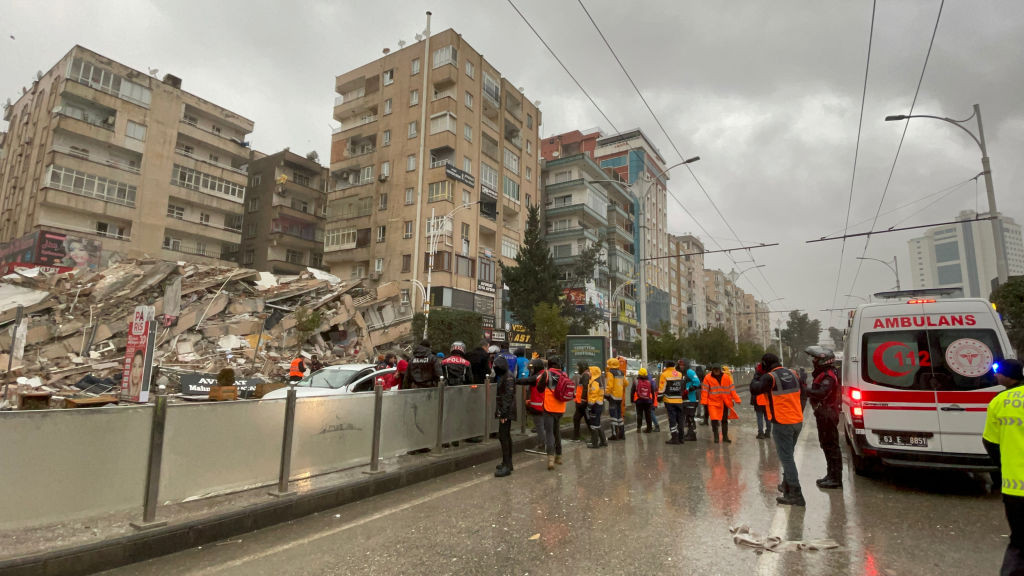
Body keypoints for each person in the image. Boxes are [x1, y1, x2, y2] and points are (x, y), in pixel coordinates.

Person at [984, 359, 1024, 576]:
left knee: (1019, 543)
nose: (995, 375)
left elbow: (990, 442)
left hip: (1014, 487)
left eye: (997, 372)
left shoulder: (1000, 401)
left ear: (1007, 376)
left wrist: (1004, 465)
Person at [751, 353, 806, 506]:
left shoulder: (770, 377)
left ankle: (796, 494)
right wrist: (799, 411)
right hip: (797, 421)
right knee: (789, 456)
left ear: (764, 364)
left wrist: (757, 374)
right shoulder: (793, 373)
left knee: (786, 459)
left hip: (782, 423)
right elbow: (804, 394)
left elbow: (754, 389)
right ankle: (787, 486)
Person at [804, 346, 843, 489]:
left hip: (828, 413)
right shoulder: (823, 374)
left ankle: (835, 478)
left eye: (816, 358)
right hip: (823, 413)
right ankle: (830, 474)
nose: (813, 361)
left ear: (824, 360)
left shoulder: (828, 375)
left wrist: (805, 391)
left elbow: (822, 392)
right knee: (826, 444)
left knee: (831, 446)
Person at [540, 356, 569, 470]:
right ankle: (559, 456)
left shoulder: (547, 374)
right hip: (560, 407)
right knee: (557, 431)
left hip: (549, 407)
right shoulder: (564, 374)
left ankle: (551, 459)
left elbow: (540, 388)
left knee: (549, 433)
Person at [493, 354, 517, 477]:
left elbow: (508, 396)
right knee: (505, 436)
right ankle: (507, 462)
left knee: (504, 436)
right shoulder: (506, 375)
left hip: (506, 411)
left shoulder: (508, 377)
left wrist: (503, 413)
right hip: (505, 410)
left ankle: (507, 465)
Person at [704, 364, 741, 444]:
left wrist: (736, 399)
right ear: (712, 370)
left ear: (720, 370)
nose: (716, 371)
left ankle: (725, 437)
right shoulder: (707, 378)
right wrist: (704, 402)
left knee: (724, 420)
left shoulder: (726, 377)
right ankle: (716, 436)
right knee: (714, 420)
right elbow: (705, 390)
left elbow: (732, 389)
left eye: (717, 370)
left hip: (724, 402)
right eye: (715, 370)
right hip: (713, 402)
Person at [519, 358, 547, 453]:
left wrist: (513, 380)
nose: (531, 370)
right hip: (545, 405)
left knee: (539, 426)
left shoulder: (537, 377)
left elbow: (526, 381)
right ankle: (549, 444)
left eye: (532, 368)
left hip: (538, 406)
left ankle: (542, 445)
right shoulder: (544, 374)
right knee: (544, 426)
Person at [658, 360, 685, 444]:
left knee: (672, 419)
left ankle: (674, 438)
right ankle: (681, 438)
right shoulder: (680, 374)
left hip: (669, 400)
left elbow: (662, 389)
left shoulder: (664, 374)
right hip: (679, 400)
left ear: (666, 366)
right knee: (680, 419)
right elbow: (682, 386)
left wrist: (659, 398)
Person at [584, 365, 606, 449]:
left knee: (593, 425)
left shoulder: (595, 382)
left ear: (593, 373)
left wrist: (589, 406)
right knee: (598, 424)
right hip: (598, 405)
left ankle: (595, 443)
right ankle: (603, 441)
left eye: (589, 371)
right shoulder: (597, 380)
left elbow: (593, 395)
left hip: (595, 406)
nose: (588, 373)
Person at [680, 358, 701, 442]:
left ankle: (692, 435)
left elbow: (697, 382)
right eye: (680, 365)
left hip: (691, 398)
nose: (681, 366)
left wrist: (689, 389)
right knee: (688, 417)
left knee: (690, 417)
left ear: (686, 365)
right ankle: (690, 432)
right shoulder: (683, 373)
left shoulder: (690, 372)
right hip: (686, 398)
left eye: (683, 365)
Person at [605, 358, 626, 440]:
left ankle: (614, 435)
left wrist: (606, 394)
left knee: (613, 416)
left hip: (613, 397)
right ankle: (622, 434)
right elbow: (626, 383)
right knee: (619, 416)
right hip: (619, 397)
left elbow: (609, 385)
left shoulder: (610, 373)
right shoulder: (621, 372)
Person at [751, 364, 773, 439]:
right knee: (768, 417)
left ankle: (760, 433)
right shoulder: (768, 377)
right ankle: (768, 432)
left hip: (758, 401)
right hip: (767, 401)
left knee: (760, 418)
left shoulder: (756, 378)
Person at [631, 368, 655, 432]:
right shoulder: (649, 382)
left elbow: (632, 391)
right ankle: (649, 428)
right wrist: (653, 400)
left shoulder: (636, 381)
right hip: (648, 400)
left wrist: (632, 400)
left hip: (639, 400)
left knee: (639, 414)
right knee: (648, 415)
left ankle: (639, 428)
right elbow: (652, 392)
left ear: (639, 374)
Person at [571, 361, 590, 442]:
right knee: (577, 418)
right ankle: (576, 437)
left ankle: (596, 437)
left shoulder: (585, 375)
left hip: (583, 402)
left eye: (578, 367)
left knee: (588, 420)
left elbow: (585, 388)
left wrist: (583, 399)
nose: (577, 368)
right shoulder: (585, 375)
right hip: (581, 402)